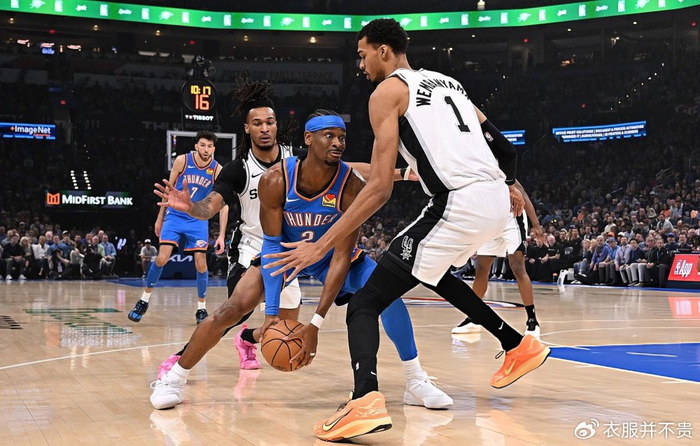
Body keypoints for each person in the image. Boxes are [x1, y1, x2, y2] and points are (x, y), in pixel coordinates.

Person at [263, 19, 549, 441]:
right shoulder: (451, 84)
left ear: (383, 51)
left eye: (363, 55)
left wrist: (318, 246)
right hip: (496, 199)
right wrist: (507, 186)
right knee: (433, 273)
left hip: (458, 201)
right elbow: (505, 150)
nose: (361, 65)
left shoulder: (387, 92)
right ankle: (516, 344)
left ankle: (364, 399)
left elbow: (378, 188)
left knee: (364, 303)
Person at [148, 110, 451, 412]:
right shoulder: (276, 179)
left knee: (388, 295)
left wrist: (316, 323)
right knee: (232, 309)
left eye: (342, 137)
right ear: (308, 138)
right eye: (329, 136)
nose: (338, 143)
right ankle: (174, 378)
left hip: (330, 255)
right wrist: (270, 314)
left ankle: (415, 380)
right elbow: (271, 245)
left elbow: (342, 256)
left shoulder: (351, 186)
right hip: (286, 254)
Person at [155, 77, 418, 377]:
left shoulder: (297, 157)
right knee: (235, 309)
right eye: (257, 123)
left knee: (283, 328)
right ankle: (179, 361)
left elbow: (351, 170)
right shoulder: (238, 169)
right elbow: (209, 207)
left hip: (302, 246)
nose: (265, 128)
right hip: (256, 246)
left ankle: (247, 340)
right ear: (247, 128)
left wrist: (399, 173)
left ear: (277, 125)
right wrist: (191, 207)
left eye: (270, 122)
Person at [128, 131, 229, 325]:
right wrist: (160, 218)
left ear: (213, 149)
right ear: (196, 146)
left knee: (201, 263)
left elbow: (223, 204)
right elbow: (168, 190)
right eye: (202, 145)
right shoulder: (182, 161)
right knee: (162, 258)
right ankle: (144, 301)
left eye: (209, 146)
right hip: (175, 215)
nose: (206, 149)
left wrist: (222, 235)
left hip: (198, 218)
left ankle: (201, 309)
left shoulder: (217, 169)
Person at [452, 180, 544, 337]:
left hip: (512, 217)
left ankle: (532, 320)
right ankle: (474, 317)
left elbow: (522, 192)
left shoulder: (502, 169)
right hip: (491, 220)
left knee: (517, 266)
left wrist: (535, 224)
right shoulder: (474, 177)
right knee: (481, 268)